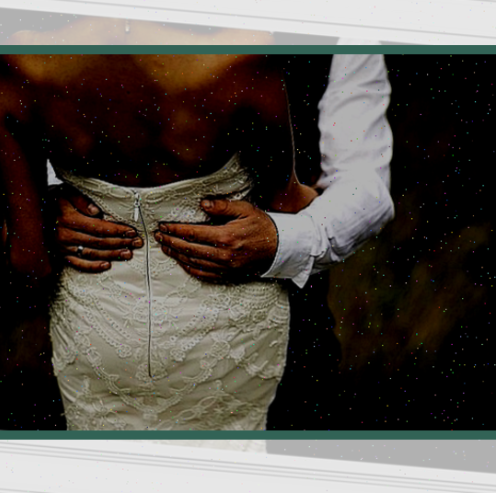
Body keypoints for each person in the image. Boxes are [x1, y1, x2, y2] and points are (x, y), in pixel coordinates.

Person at [0, 17, 320, 453]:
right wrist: (329, 196)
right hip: (224, 335)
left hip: (100, 332)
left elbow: (28, 260)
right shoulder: (244, 53)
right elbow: (285, 206)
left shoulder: (24, 59)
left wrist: (50, 205)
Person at [51, 36, 396, 436]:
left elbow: (365, 182)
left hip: (279, 337)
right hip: (102, 339)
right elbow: (32, 130)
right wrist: (44, 203)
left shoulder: (339, 31)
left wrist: (284, 239)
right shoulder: (61, 38)